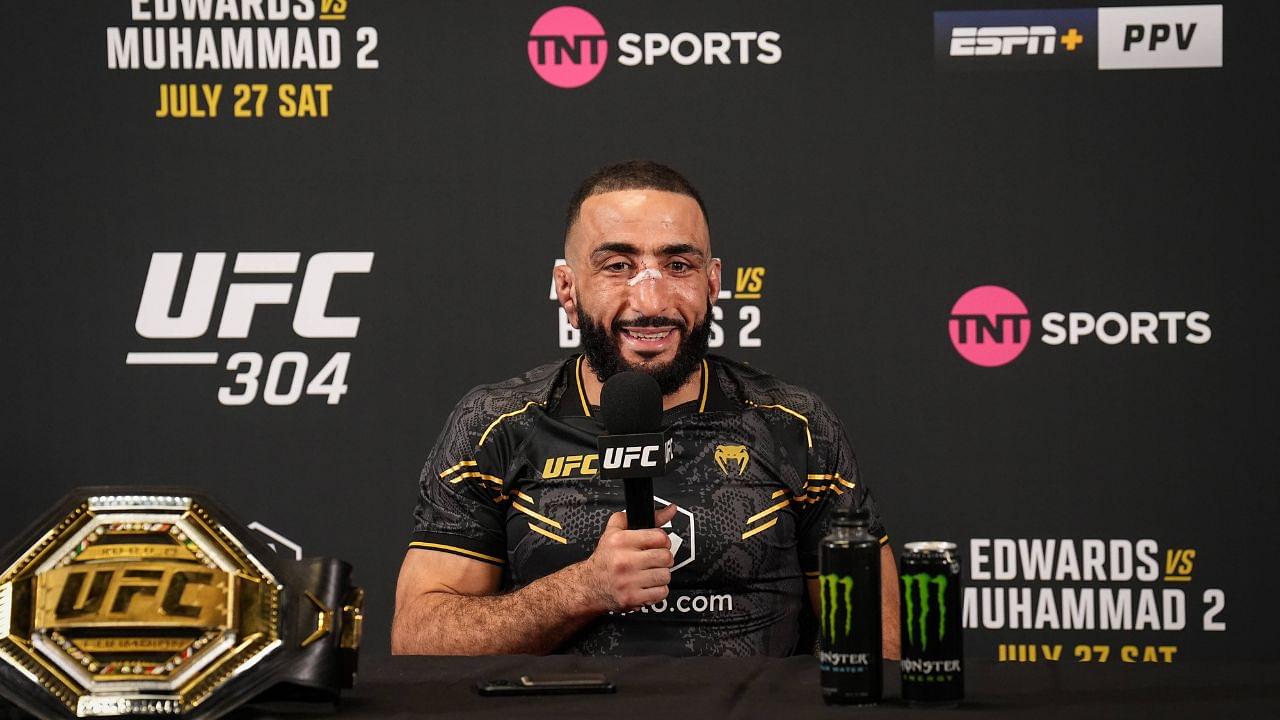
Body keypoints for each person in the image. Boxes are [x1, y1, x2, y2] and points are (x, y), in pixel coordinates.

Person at [392, 160, 900, 656]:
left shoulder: (795, 423)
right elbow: (418, 638)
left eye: (678, 266)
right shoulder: (495, 424)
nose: (651, 301)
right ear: (567, 289)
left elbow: (878, 643)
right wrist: (581, 590)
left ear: (713, 282)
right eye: (618, 266)